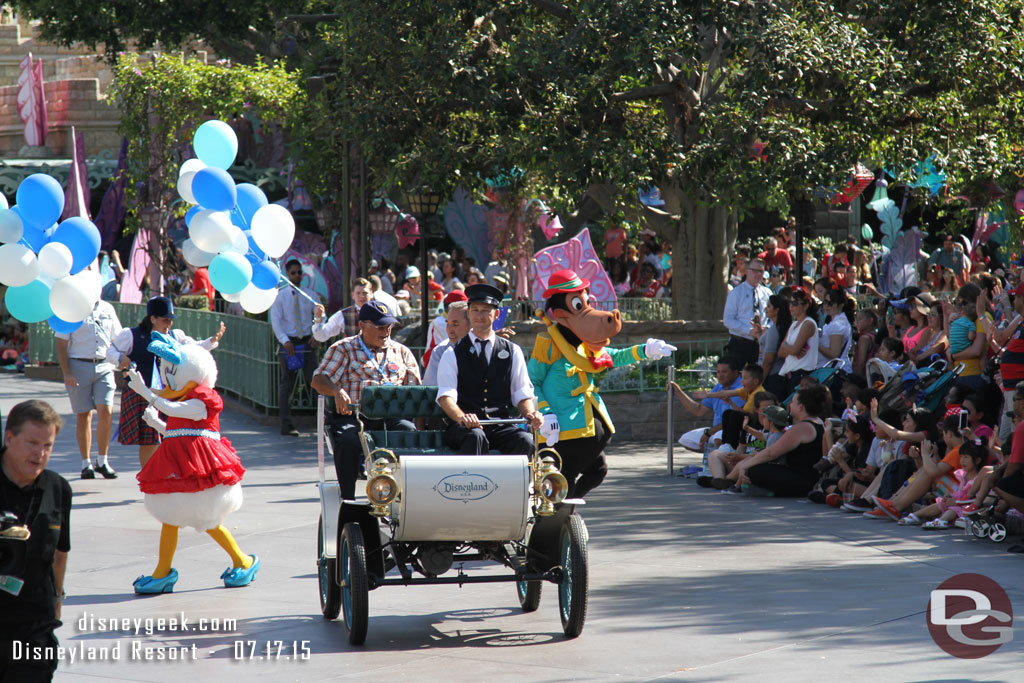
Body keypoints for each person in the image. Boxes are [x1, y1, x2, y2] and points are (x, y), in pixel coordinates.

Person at [311, 301, 421, 499]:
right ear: (362, 326)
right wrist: (336, 391)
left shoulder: (401, 352)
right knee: (347, 439)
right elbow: (318, 380)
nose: (386, 331)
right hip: (354, 416)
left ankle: (405, 497)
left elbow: (416, 388)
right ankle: (348, 498)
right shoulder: (344, 348)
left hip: (391, 416)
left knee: (409, 433)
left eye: (389, 326)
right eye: (380, 327)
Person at [107, 296, 225, 467]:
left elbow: (194, 350)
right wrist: (120, 358)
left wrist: (212, 341)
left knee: (170, 436)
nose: (169, 324)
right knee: (150, 441)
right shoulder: (131, 335)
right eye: (164, 320)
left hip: (172, 395)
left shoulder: (176, 336)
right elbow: (110, 352)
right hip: (142, 392)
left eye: (171, 320)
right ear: (152, 318)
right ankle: (149, 475)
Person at [0, 400, 69, 682]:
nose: (40, 454)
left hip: (34, 624)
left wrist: (57, 599)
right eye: (32, 443)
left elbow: (60, 553)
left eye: (48, 445)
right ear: (9, 438)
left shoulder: (57, 487)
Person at [437, 283, 543, 454]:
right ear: (469, 314)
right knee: (475, 437)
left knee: (524, 441)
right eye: (475, 310)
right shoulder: (452, 353)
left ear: (497, 314)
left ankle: (518, 482)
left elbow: (522, 392)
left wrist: (531, 414)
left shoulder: (512, 351)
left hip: (501, 425)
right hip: (465, 427)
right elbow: (446, 397)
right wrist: (462, 417)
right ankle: (472, 482)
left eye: (486, 310)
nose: (480, 315)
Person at [55, 298, 122, 480]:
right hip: (78, 365)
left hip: (104, 365)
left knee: (106, 410)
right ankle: (86, 464)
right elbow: (61, 344)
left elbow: (118, 337)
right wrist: (67, 372)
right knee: (84, 415)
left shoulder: (107, 308)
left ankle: (103, 460)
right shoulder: (71, 306)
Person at [729, 385, 830, 497]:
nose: (789, 405)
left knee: (754, 469)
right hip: (809, 477)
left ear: (800, 407)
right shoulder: (818, 421)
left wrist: (745, 466)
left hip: (802, 481)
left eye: (792, 402)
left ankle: (766, 491)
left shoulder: (802, 427)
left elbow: (771, 453)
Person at [269, 259, 321, 436]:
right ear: (288, 275)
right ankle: (286, 424)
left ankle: (323, 423)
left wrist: (317, 336)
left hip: (307, 342)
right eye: (293, 273)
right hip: (290, 343)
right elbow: (275, 321)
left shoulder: (311, 295)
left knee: (315, 382)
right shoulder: (280, 297)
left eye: (300, 272)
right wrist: (285, 341)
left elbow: (321, 316)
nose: (297, 275)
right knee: (287, 385)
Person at [671, 357, 743, 451]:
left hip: (734, 431)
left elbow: (731, 422)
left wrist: (708, 433)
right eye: (718, 372)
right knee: (686, 439)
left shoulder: (741, 389)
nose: (720, 375)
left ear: (735, 373)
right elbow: (699, 410)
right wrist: (679, 393)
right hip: (715, 431)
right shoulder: (718, 387)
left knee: (718, 437)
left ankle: (724, 460)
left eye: (724, 372)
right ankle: (714, 455)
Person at [722, 258, 771, 366]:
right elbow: (728, 320)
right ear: (747, 271)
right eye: (754, 270)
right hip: (740, 343)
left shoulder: (767, 293)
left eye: (761, 271)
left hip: (761, 343)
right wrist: (748, 331)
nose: (758, 274)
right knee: (737, 376)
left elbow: (773, 317)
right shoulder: (736, 293)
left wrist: (766, 329)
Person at [423, 301, 470, 385]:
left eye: (455, 324)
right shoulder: (439, 351)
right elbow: (430, 388)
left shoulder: (484, 346)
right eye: (447, 324)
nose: (449, 330)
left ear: (471, 324)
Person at [312, 277, 371, 343]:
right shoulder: (343, 314)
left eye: (365, 293)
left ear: (371, 294)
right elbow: (322, 336)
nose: (362, 296)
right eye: (358, 293)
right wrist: (318, 319)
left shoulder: (379, 313)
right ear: (353, 295)